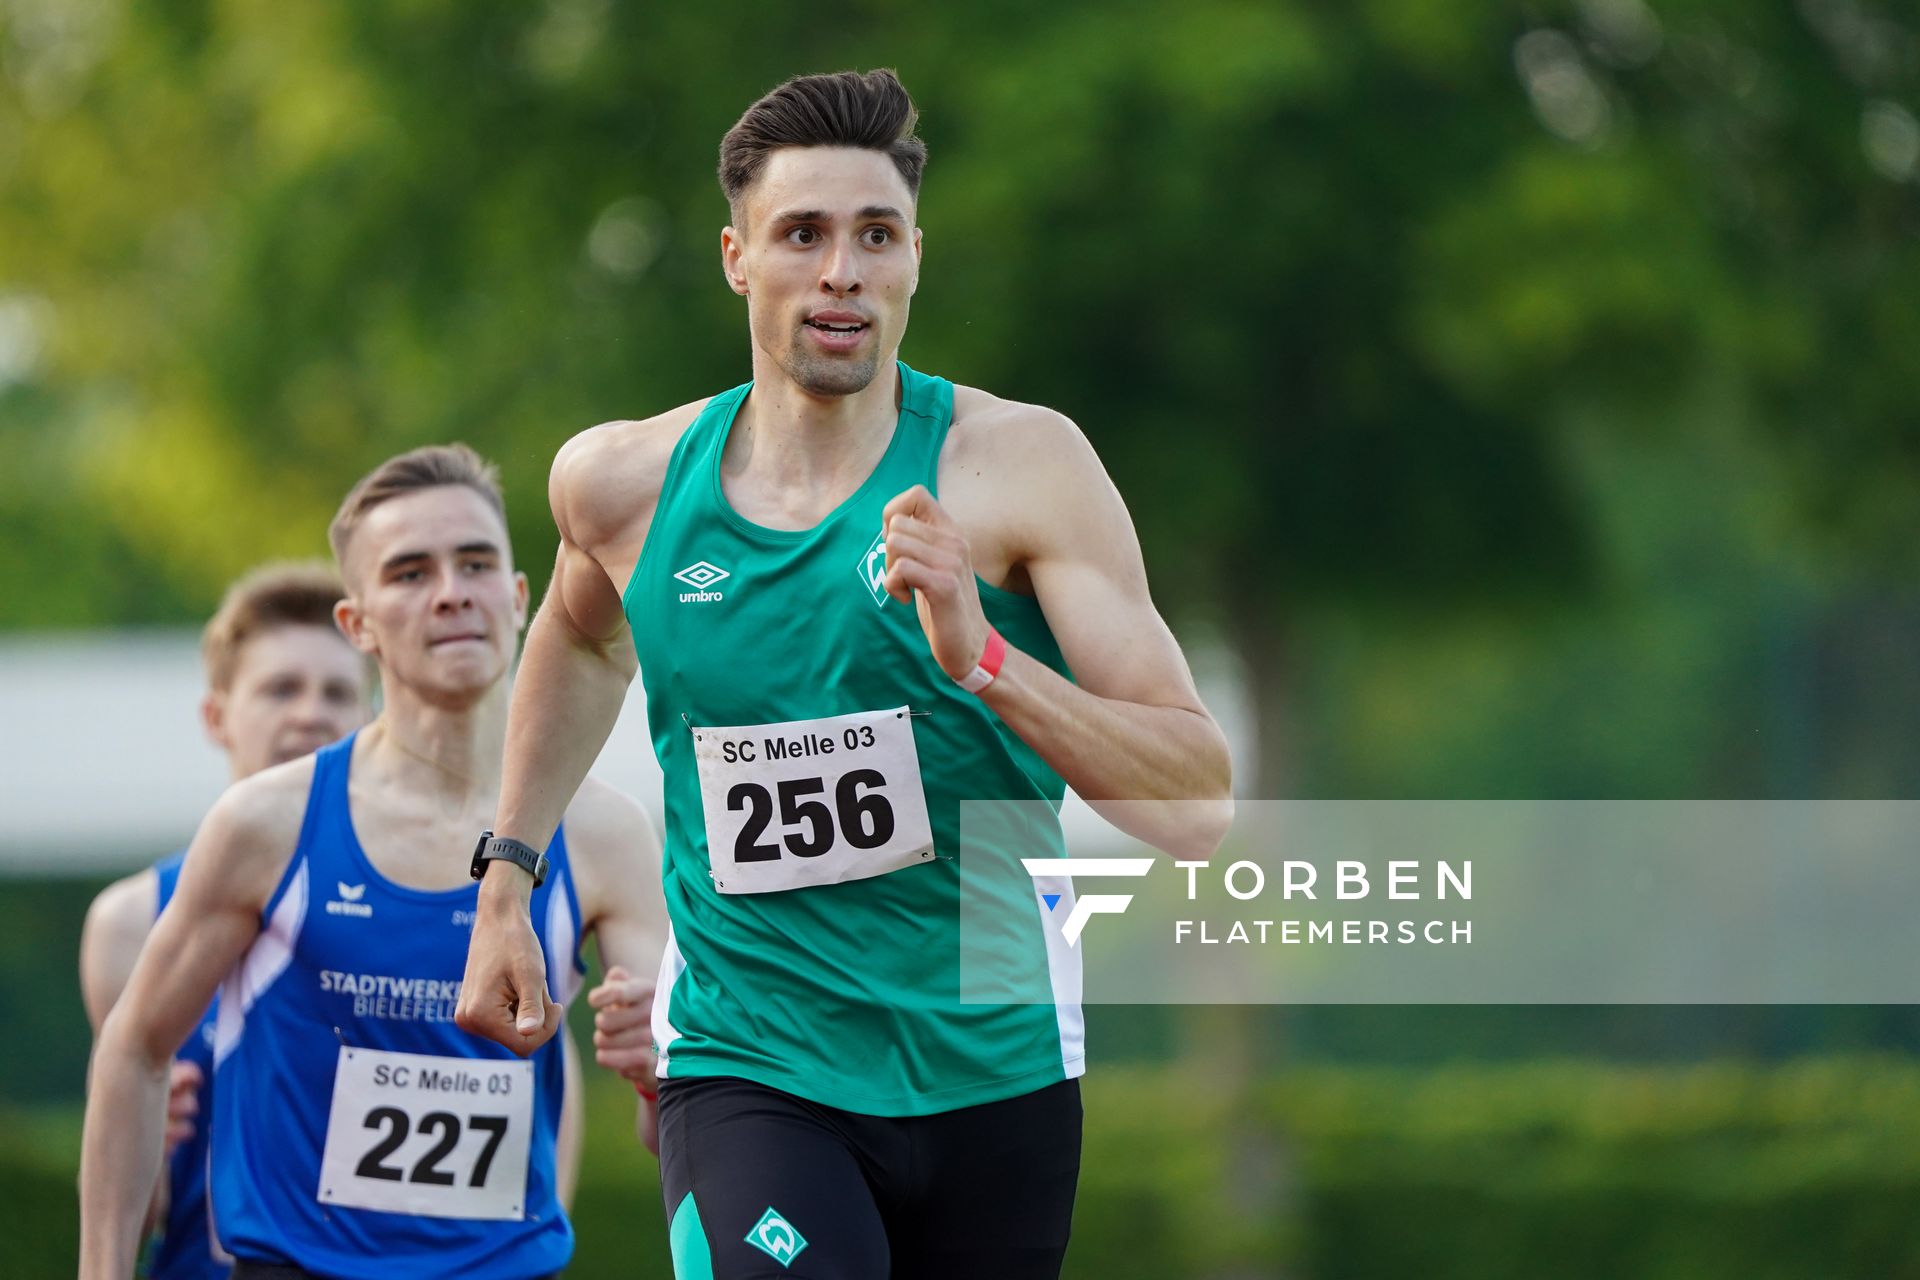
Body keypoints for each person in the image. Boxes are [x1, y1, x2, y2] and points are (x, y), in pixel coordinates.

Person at [458, 68, 1233, 1279]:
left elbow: (1194, 803)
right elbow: (577, 633)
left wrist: (988, 662)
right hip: (749, 1063)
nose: (842, 272)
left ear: (916, 255)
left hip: (996, 1064)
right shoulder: (624, 485)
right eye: (803, 235)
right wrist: (508, 874)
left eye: (875, 236)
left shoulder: (1019, 469)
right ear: (735, 257)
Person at [81, 445, 666, 1280]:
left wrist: (656, 1074)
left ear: (518, 595)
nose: (452, 592)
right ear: (357, 628)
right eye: (409, 573)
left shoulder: (606, 832)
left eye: (475, 563)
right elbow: (132, 1052)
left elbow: (678, 1114)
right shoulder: (267, 823)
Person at [80, 563, 373, 1280]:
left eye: (337, 691)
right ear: (217, 716)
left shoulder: (437, 900)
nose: (310, 713)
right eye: (281, 688)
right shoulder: (132, 921)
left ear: (371, 717)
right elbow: (133, 1204)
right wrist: (155, 1146)